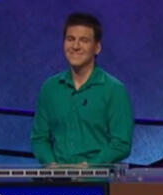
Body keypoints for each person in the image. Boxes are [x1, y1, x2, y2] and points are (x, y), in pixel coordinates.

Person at [30, 12, 133, 166]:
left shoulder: (114, 90)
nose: (75, 46)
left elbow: (121, 144)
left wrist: (90, 166)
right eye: (70, 39)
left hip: (97, 178)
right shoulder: (49, 88)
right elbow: (39, 138)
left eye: (84, 40)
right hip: (57, 177)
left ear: (97, 47)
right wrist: (50, 164)